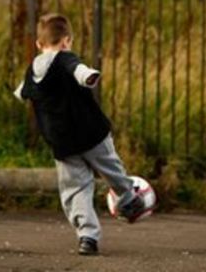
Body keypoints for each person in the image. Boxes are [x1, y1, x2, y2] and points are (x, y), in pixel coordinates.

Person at [14, 13, 145, 256]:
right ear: (66, 41)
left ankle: (87, 237)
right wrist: (89, 76)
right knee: (111, 168)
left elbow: (23, 91)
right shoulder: (66, 58)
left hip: (62, 142)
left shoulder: (32, 69)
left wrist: (22, 93)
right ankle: (129, 199)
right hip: (91, 133)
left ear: (38, 44)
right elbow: (79, 70)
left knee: (76, 189)